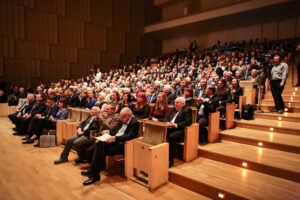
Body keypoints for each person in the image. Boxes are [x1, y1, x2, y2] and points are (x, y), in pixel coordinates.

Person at [81, 108, 139, 185]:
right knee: (99, 143)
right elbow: (117, 132)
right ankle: (94, 173)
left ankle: (94, 173)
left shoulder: (134, 123)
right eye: (121, 117)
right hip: (115, 140)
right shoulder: (122, 120)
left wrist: (114, 138)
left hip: (123, 145)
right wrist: (109, 132)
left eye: (123, 117)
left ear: (129, 116)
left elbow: (129, 136)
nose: (121, 119)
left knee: (101, 150)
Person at [164, 97, 192, 168]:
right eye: (175, 102)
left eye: (177, 102)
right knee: (158, 132)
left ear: (182, 104)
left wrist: (175, 125)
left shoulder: (187, 110)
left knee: (171, 137)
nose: (175, 104)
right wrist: (167, 123)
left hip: (181, 129)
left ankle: (170, 160)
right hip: (170, 127)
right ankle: (159, 154)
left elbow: (188, 122)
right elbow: (166, 118)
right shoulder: (174, 109)